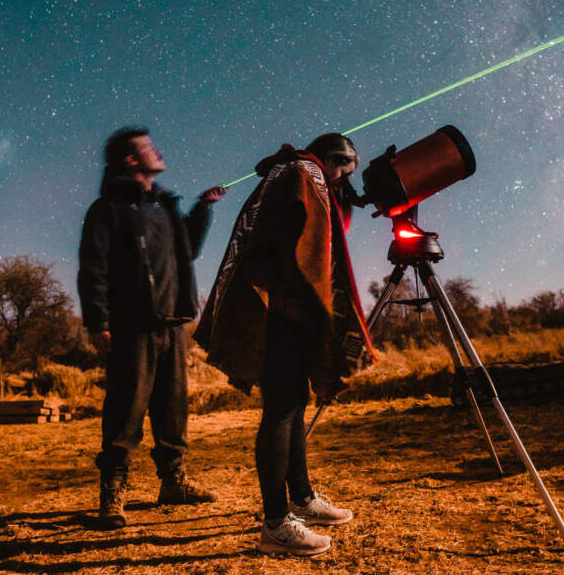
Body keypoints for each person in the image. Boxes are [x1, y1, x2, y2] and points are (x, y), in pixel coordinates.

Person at [196, 133, 374, 557]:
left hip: (284, 306)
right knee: (282, 411)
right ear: (334, 157)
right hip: (281, 310)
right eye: (343, 170)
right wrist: (312, 308)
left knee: (293, 405)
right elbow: (298, 248)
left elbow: (321, 233)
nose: (342, 180)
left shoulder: (298, 173)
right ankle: (276, 523)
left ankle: (302, 498)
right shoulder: (300, 173)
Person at [78, 126, 225, 529]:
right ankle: (113, 491)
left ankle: (173, 482)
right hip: (131, 326)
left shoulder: (164, 207)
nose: (157, 150)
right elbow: (93, 267)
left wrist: (202, 209)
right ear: (130, 160)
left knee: (172, 409)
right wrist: (98, 321)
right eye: (148, 148)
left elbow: (188, 252)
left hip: (173, 324)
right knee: (126, 411)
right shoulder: (107, 208)